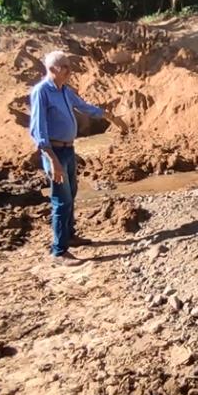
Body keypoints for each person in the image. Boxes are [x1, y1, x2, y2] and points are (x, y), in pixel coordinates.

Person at [29, 51, 129, 266]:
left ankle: (70, 236)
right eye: (65, 66)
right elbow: (38, 129)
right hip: (54, 153)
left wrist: (110, 116)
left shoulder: (64, 90)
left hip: (68, 150)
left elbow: (84, 107)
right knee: (61, 200)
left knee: (71, 194)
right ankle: (59, 251)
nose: (69, 69)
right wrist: (52, 160)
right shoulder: (41, 92)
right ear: (53, 69)